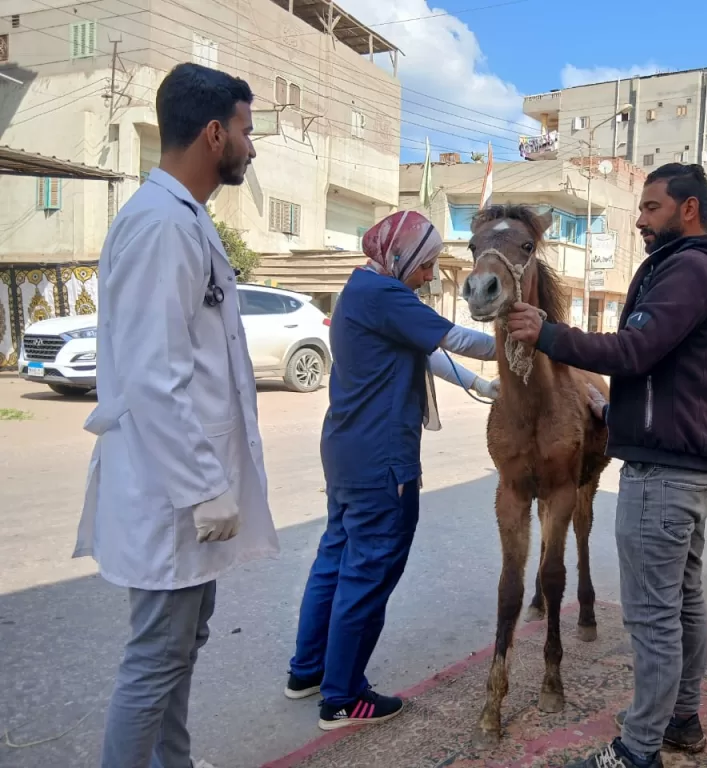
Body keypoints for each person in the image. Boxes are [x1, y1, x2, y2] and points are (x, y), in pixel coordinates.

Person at [73, 63, 278, 768]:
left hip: (186, 487)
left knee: (182, 647)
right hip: (173, 494)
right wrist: (202, 487)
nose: (252, 148)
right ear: (215, 133)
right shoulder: (162, 225)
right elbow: (153, 377)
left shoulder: (182, 218)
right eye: (247, 132)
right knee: (157, 658)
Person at [507, 162, 707, 768]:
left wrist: (550, 335)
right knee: (684, 600)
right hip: (688, 462)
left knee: (652, 617)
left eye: (651, 207)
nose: (639, 219)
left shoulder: (688, 269)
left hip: (664, 473)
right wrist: (617, 412)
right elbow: (676, 374)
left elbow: (635, 351)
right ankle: (682, 720)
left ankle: (638, 748)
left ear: (687, 210)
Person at [286, 210, 498, 731]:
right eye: (425, 266)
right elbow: (454, 338)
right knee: (370, 571)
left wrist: (481, 385)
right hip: (382, 460)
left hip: (345, 453)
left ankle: (308, 670)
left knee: (336, 559)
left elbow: (424, 353)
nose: (429, 276)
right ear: (401, 257)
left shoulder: (362, 289)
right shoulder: (388, 297)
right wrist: (531, 340)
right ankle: (342, 697)